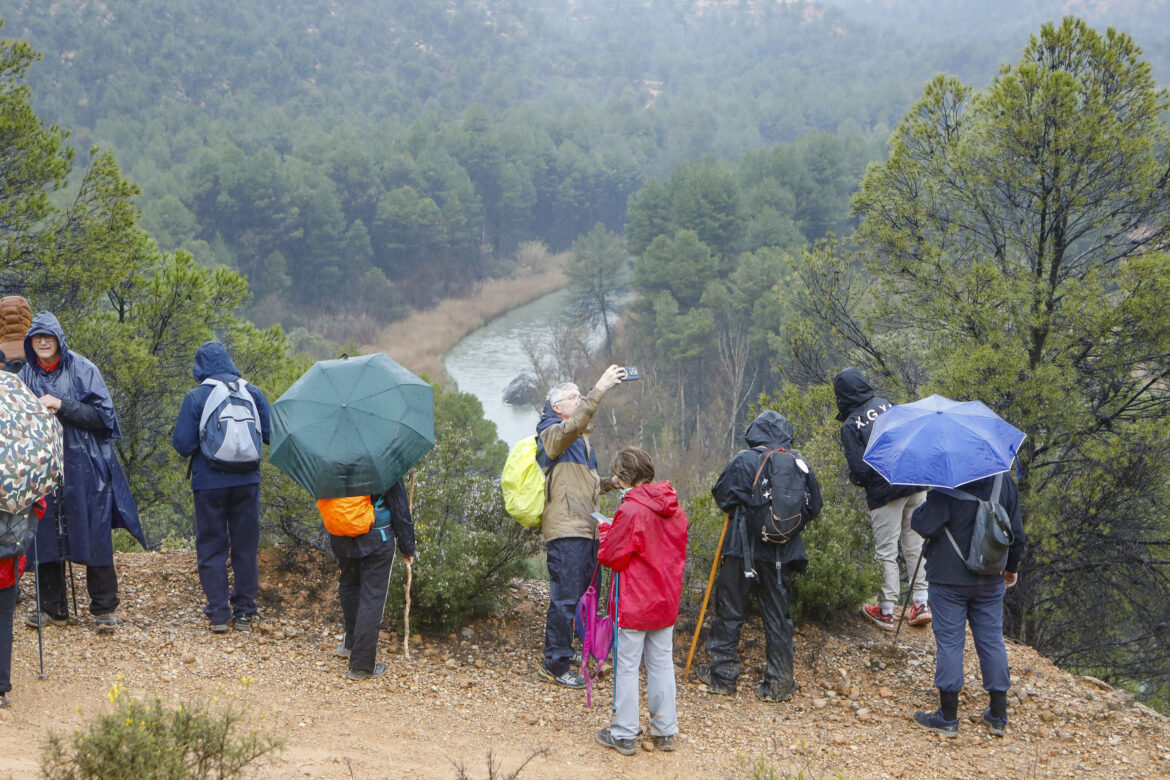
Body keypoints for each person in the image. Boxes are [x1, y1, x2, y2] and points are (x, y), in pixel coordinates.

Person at [19, 312, 145, 633]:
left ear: (59, 339)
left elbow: (105, 418)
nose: (43, 342)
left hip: (85, 466)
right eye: (37, 338)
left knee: (94, 532)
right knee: (46, 532)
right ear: (30, 343)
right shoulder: (24, 377)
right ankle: (52, 608)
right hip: (43, 467)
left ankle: (104, 609)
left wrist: (61, 404)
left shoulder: (83, 369)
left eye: (48, 337)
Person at [698, 410, 822, 702]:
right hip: (784, 553)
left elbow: (723, 496)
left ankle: (723, 677)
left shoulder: (745, 459)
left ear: (754, 433)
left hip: (742, 549)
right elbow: (814, 506)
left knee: (730, 611)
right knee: (778, 617)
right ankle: (779, 683)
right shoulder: (799, 462)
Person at [910, 473, 1027, 737]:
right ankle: (998, 716)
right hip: (990, 577)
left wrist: (921, 510)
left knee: (951, 643)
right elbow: (1016, 534)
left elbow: (926, 525)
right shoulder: (1003, 482)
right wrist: (1011, 568)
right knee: (992, 640)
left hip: (948, 579)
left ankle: (948, 718)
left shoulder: (948, 479)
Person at [536, 364, 626, 688]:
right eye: (572, 396)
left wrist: (610, 483)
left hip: (587, 530)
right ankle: (554, 664)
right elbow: (575, 424)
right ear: (557, 407)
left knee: (587, 595)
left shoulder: (581, 442)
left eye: (579, 395)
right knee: (566, 597)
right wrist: (598, 389)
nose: (578, 399)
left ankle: (571, 648)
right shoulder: (552, 434)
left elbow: (583, 484)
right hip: (566, 529)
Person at [172, 341, 271, 633]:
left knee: (212, 546)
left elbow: (183, 444)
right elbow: (269, 434)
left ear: (200, 366)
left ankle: (218, 613)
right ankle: (245, 613)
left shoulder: (197, 396)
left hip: (209, 483)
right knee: (245, 546)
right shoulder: (251, 392)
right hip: (247, 481)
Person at [595, 448, 687, 755]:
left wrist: (607, 531)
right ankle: (664, 731)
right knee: (661, 664)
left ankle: (623, 733)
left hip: (634, 601)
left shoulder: (631, 511)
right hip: (665, 599)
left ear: (622, 478)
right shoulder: (674, 507)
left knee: (628, 667)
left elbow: (612, 557)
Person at [833, 368, 931, 629]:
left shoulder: (850, 424)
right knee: (916, 544)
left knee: (886, 551)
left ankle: (886, 610)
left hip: (884, 491)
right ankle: (921, 603)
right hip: (915, 480)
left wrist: (861, 481)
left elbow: (860, 469)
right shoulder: (889, 404)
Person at [325, 480, 415, 681]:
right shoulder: (382, 460)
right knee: (372, 597)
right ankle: (361, 665)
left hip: (340, 532)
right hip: (377, 536)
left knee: (348, 583)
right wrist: (408, 547)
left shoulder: (331, 457)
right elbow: (400, 508)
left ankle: (351, 644)